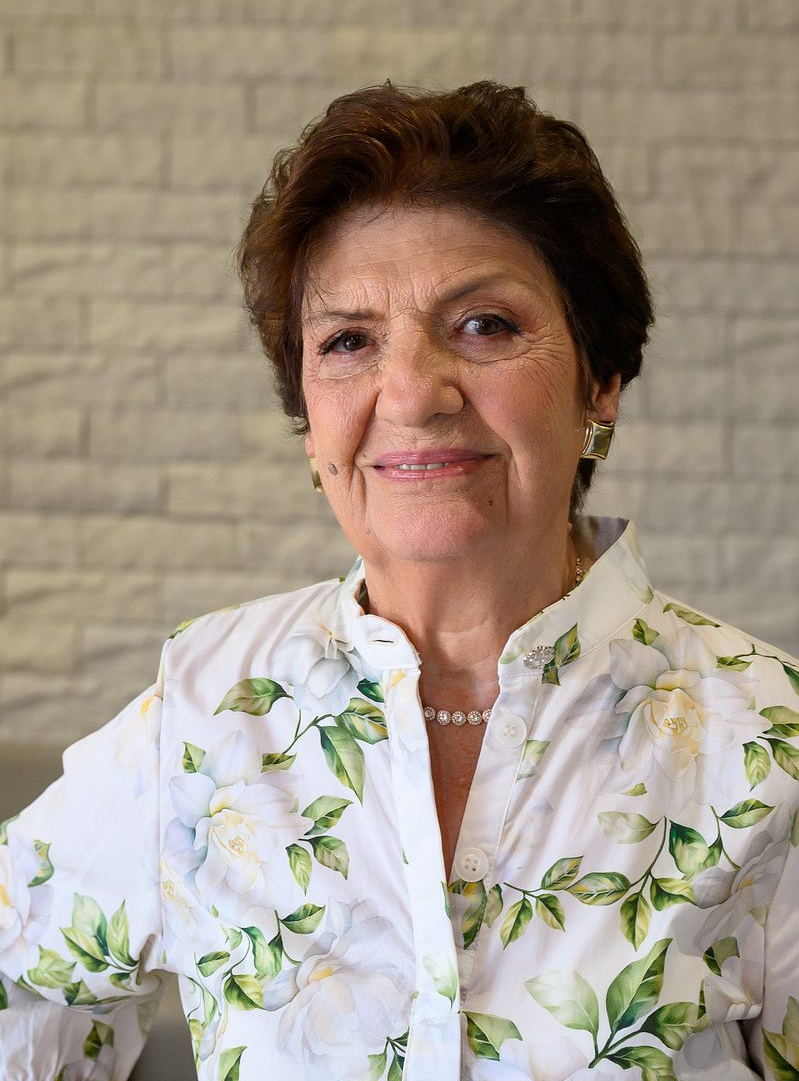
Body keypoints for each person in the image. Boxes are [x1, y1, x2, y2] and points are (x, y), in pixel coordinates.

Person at [1, 81, 797, 1081]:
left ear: (599, 383)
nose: (413, 394)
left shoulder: (768, 745)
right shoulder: (206, 711)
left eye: (484, 325)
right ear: (309, 419)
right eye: (348, 341)